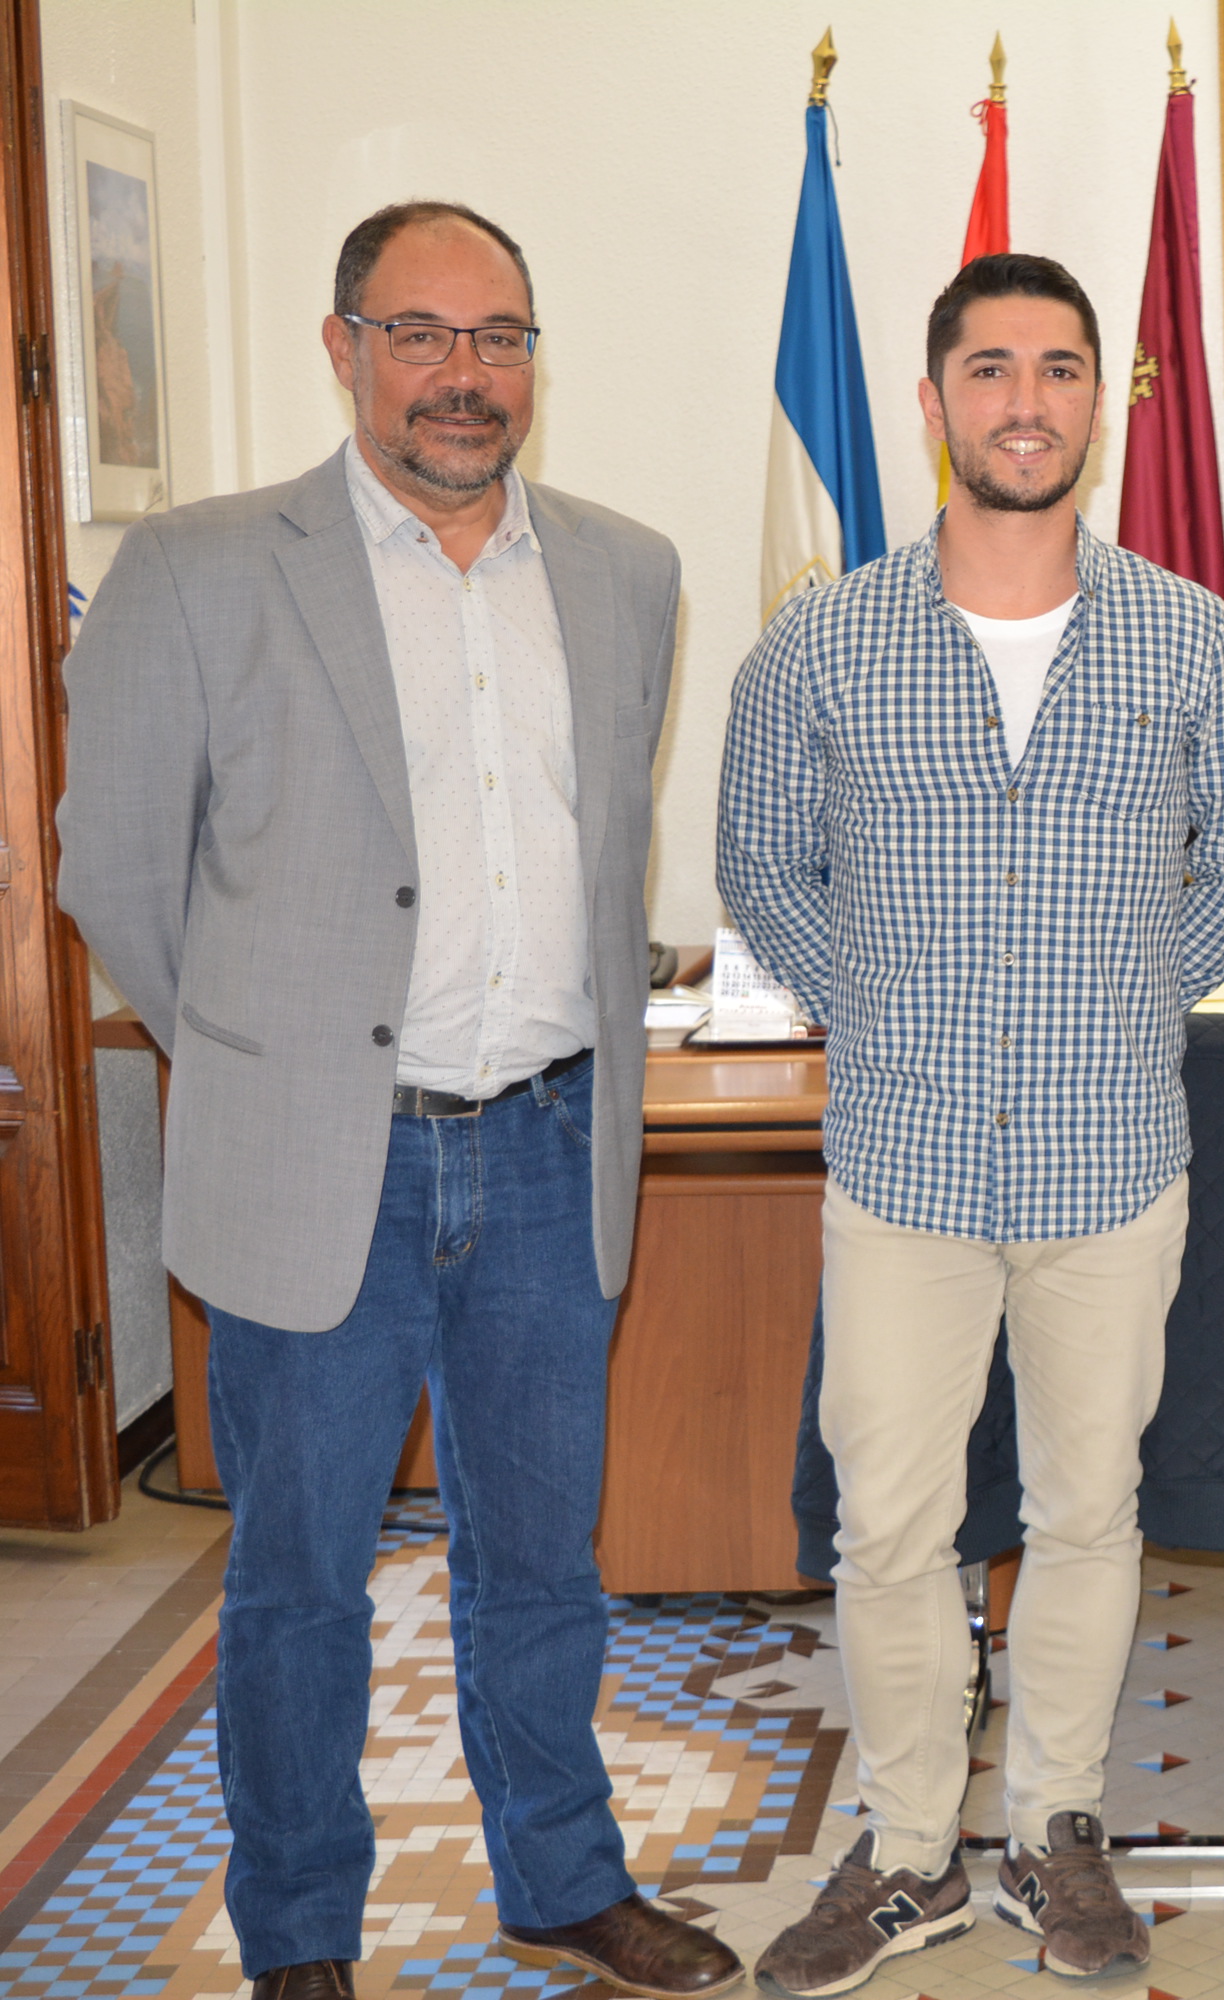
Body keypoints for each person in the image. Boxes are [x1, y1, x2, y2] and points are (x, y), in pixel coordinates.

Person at [56, 203, 729, 2000]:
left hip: (548, 1150)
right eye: (420, 334)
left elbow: (603, 856)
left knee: (543, 1565)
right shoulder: (200, 568)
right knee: (297, 1586)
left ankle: (560, 1879)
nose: (463, 374)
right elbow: (113, 870)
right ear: (343, 347)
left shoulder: (628, 571)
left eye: (498, 337)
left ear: (535, 361)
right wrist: (263, 1066)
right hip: (317, 1172)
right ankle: (299, 1939)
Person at [719, 251, 1224, 1993]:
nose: (1024, 400)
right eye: (989, 368)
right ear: (933, 402)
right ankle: (908, 1855)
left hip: (1108, 1165)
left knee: (1086, 1513)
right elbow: (762, 866)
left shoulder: (1189, 637)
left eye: (1058, 368)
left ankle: (1055, 1832)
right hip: (901, 1167)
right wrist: (887, 1011)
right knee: (887, 1530)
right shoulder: (823, 641)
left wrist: (1119, 1005)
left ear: (1099, 403)